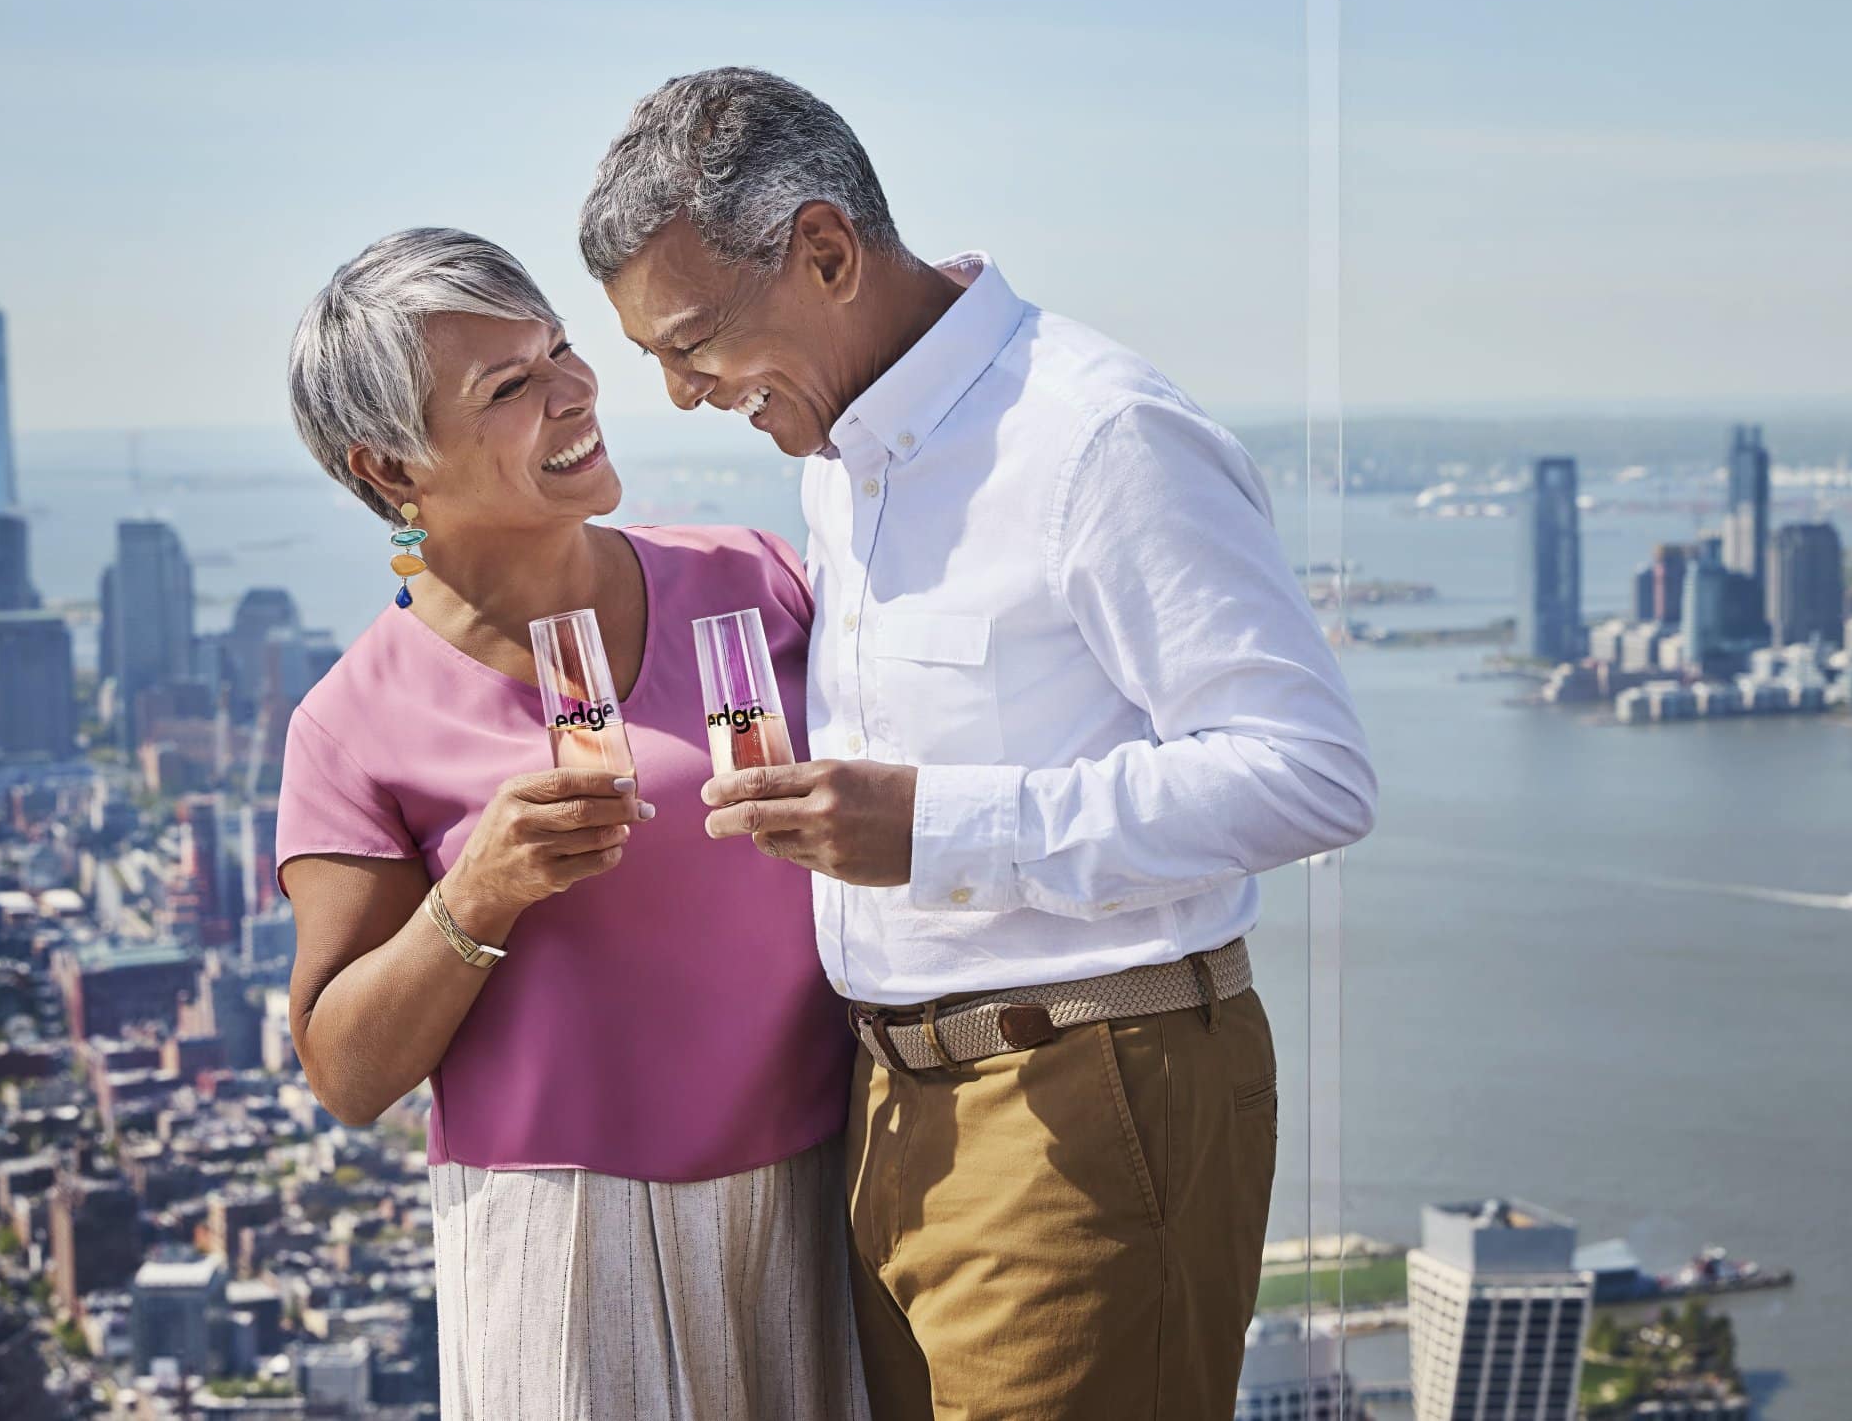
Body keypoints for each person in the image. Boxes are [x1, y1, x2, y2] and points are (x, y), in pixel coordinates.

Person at [581, 69, 1378, 1421]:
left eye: (695, 339)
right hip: (889, 1117)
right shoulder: (844, 454)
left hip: (1084, 1101)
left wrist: (938, 830)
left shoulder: (1093, 436)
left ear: (826, 252)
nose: (677, 392)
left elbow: (1307, 770)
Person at [276, 227, 866, 1421]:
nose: (574, 389)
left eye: (558, 349)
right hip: (565, 1244)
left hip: (835, 1192)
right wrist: (478, 890)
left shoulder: (756, 578)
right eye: (508, 386)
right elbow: (343, 1067)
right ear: (390, 466)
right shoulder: (353, 722)